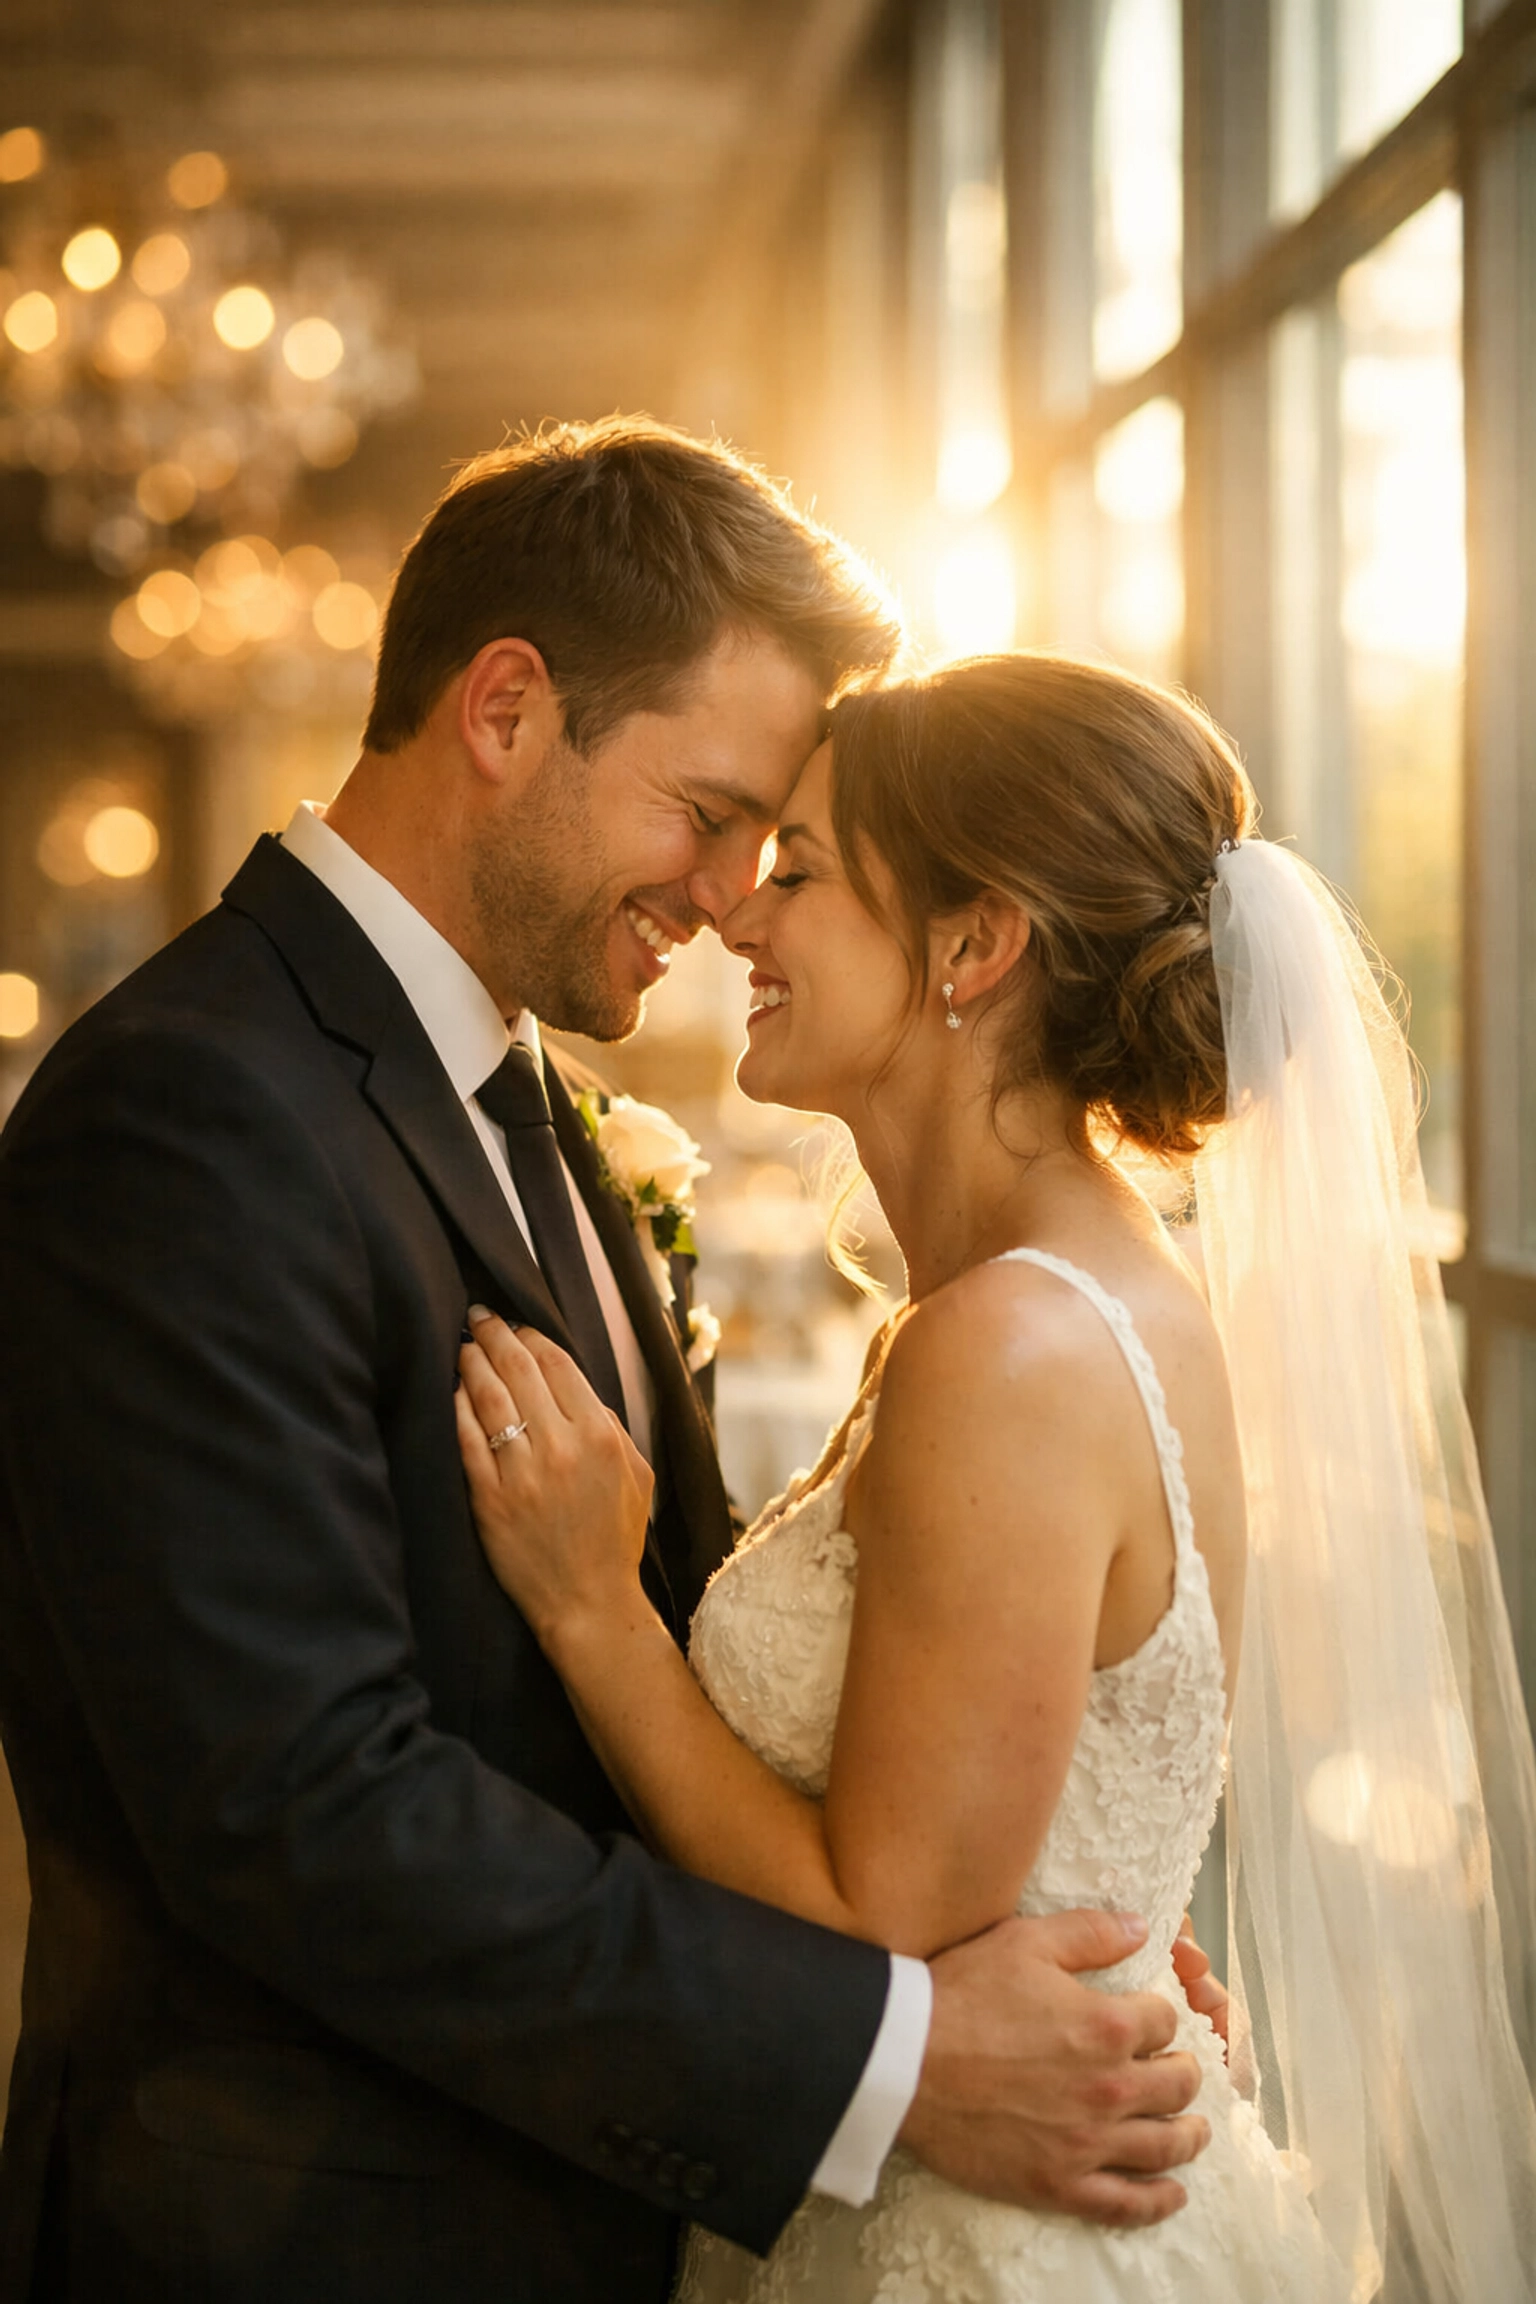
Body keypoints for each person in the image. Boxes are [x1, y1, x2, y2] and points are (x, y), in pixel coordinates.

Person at [0, 427, 1216, 2304]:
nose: (733, 895)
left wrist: (1064, 1935)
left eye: (776, 848)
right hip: (313, 2237)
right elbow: (300, 1810)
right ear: (504, 709)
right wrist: (896, 2057)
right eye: (713, 810)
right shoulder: (186, 1111)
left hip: (593, 2201)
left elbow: (690, 1637)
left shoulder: (535, 1094)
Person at [457, 653, 1536, 2301]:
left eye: (802, 871)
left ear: (975, 944)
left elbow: (873, 1910)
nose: (740, 914)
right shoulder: (1037, 1305)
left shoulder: (1012, 1350)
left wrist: (595, 1608)